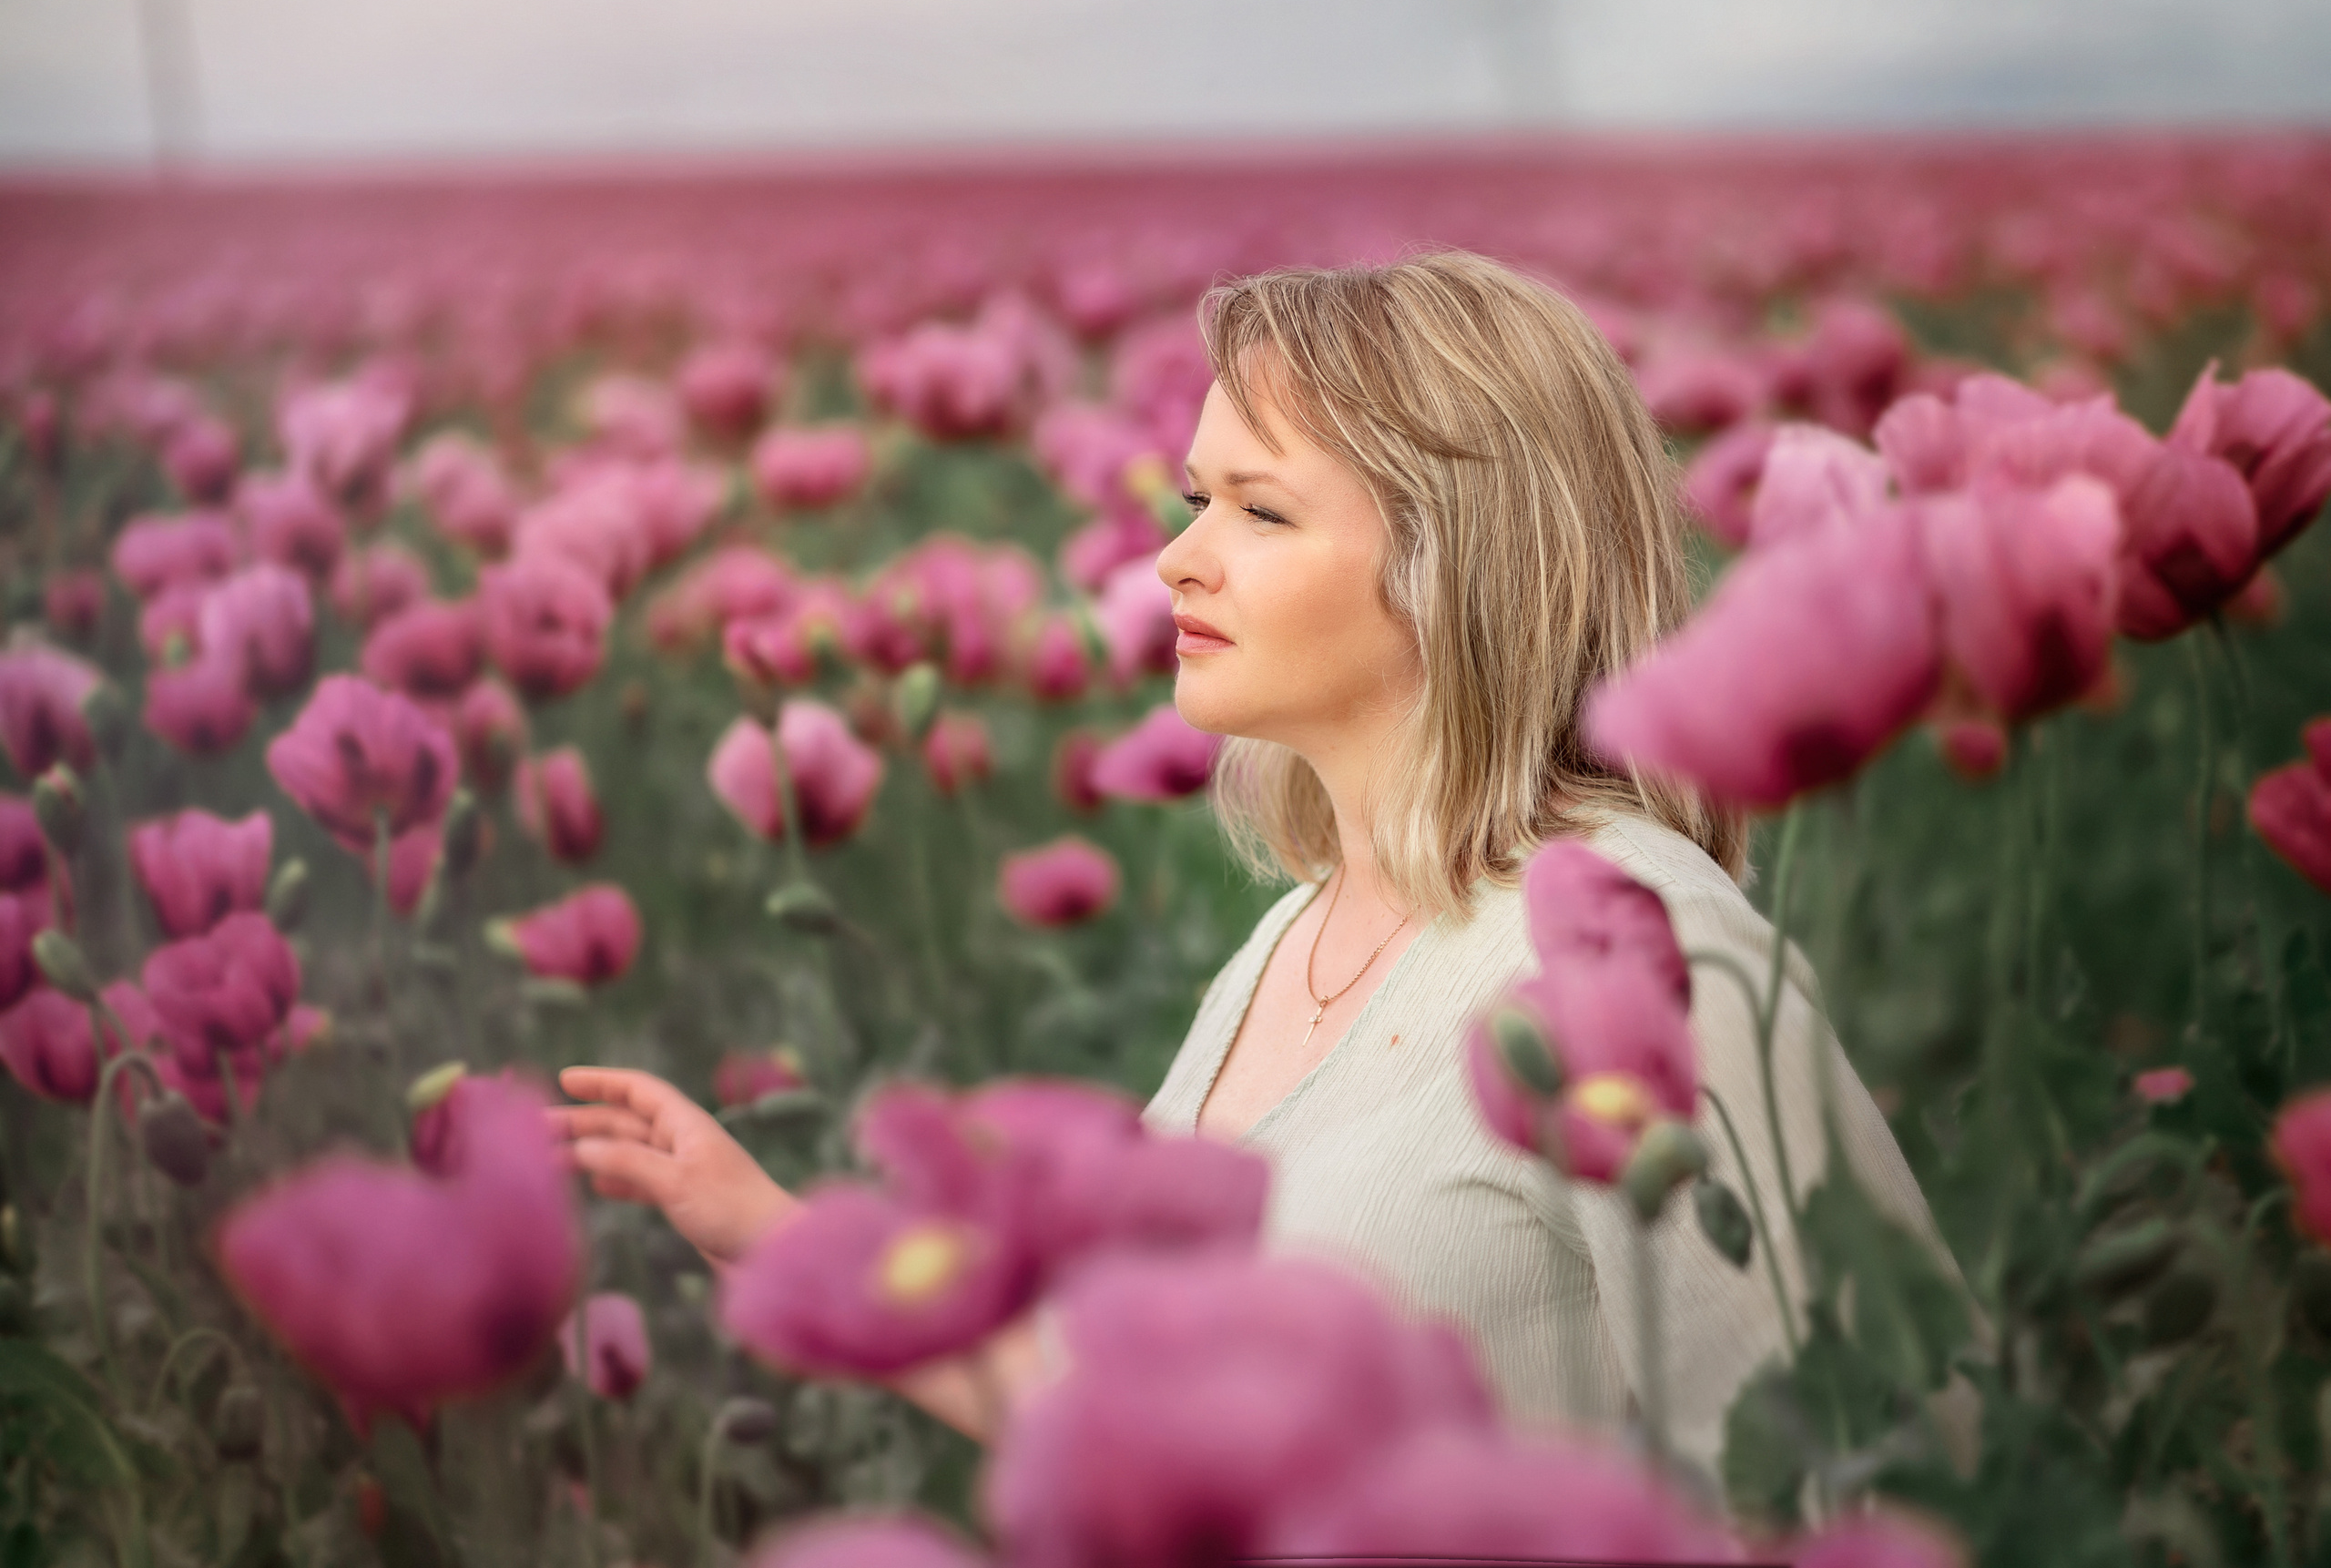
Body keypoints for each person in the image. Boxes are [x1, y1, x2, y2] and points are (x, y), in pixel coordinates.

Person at [552, 249, 1966, 1491]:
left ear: (1454, 562)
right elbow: (1148, 1411)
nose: (1174, 559)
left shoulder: (1637, 944)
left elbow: (1870, 1467)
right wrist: (774, 1230)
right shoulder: (1289, 942)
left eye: (1259, 512)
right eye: (1192, 501)